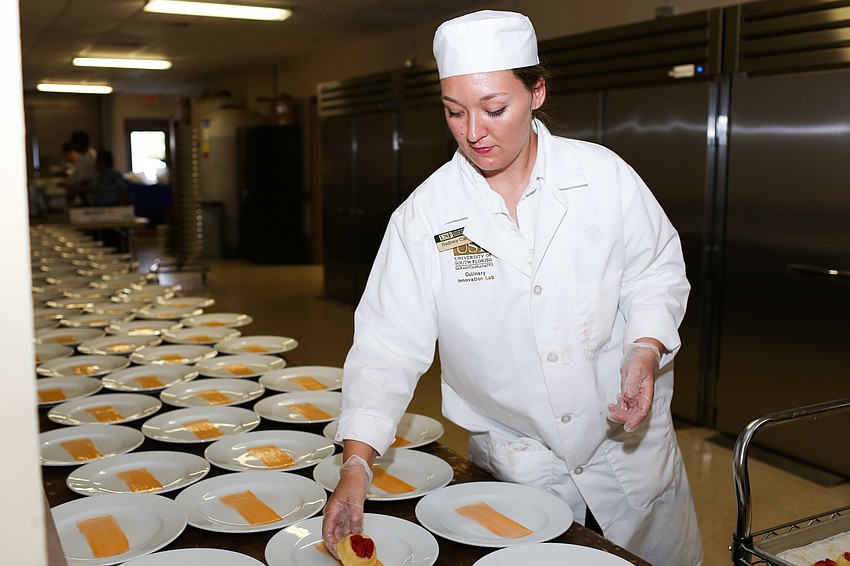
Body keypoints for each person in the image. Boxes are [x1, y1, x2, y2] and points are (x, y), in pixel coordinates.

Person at [321, 10, 703, 566]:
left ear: (537, 91)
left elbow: (657, 273)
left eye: (494, 109)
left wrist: (644, 348)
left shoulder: (604, 177)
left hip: (627, 456)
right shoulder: (424, 217)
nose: (474, 131)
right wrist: (356, 463)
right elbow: (387, 344)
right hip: (523, 471)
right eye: (454, 112)